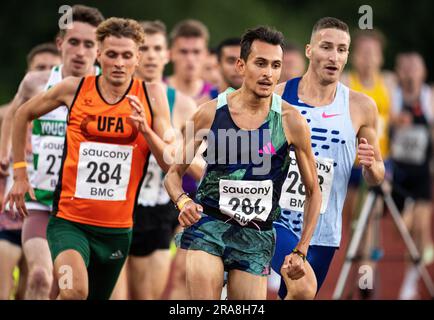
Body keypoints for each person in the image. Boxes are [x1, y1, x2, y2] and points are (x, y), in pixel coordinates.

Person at [4, 17, 172, 300]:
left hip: (117, 230)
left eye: (127, 55)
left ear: (138, 58)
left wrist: (145, 129)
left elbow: (169, 160)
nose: (119, 62)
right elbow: (22, 114)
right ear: (99, 55)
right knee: (74, 292)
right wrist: (20, 174)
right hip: (69, 223)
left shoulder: (152, 94)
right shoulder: (75, 88)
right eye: (112, 55)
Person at [164, 25, 322, 300]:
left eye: (275, 65)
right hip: (210, 225)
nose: (268, 73)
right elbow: (173, 174)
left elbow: (313, 191)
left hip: (256, 234)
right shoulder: (208, 113)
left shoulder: (291, 122)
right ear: (241, 65)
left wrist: (301, 249)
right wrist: (183, 201)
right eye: (260, 63)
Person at [272, 17, 385, 300]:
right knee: (303, 287)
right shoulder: (279, 96)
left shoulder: (361, 106)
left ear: (347, 55)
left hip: (325, 229)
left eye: (342, 49)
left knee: (296, 294)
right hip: (277, 218)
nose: (334, 56)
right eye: (326, 47)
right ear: (310, 51)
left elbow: (378, 175)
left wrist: (371, 166)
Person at [0, 5, 104, 300]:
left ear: (98, 49)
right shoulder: (37, 82)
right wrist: (6, 151)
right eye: (73, 42)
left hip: (84, 207)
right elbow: (15, 112)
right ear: (60, 44)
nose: (80, 52)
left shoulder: (108, 87)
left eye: (89, 44)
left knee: (68, 289)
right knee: (40, 277)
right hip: (40, 200)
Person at [110, 20, 200, 300]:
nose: (150, 55)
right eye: (144, 48)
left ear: (167, 55)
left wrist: (173, 149)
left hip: (157, 211)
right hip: (115, 206)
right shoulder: (113, 94)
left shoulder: (183, 104)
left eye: (157, 48)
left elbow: (199, 168)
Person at [0, 42, 61, 300]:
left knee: (36, 279)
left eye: (52, 68)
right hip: (11, 214)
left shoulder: (67, 112)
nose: (47, 74)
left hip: (47, 208)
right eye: (40, 68)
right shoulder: (7, 117)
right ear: (29, 73)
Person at [390, 52, 434, 299]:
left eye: (415, 68)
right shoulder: (393, 96)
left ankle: (410, 281)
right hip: (397, 172)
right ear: (399, 72)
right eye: (405, 68)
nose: (410, 72)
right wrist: (394, 122)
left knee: (419, 229)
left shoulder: (429, 97)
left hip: (420, 174)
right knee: (401, 230)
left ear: (423, 72)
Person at [167, 19, 216, 105]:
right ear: (171, 54)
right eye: (183, 52)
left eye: (196, 52)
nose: (190, 58)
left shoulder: (216, 97)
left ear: (206, 55)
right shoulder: (155, 91)